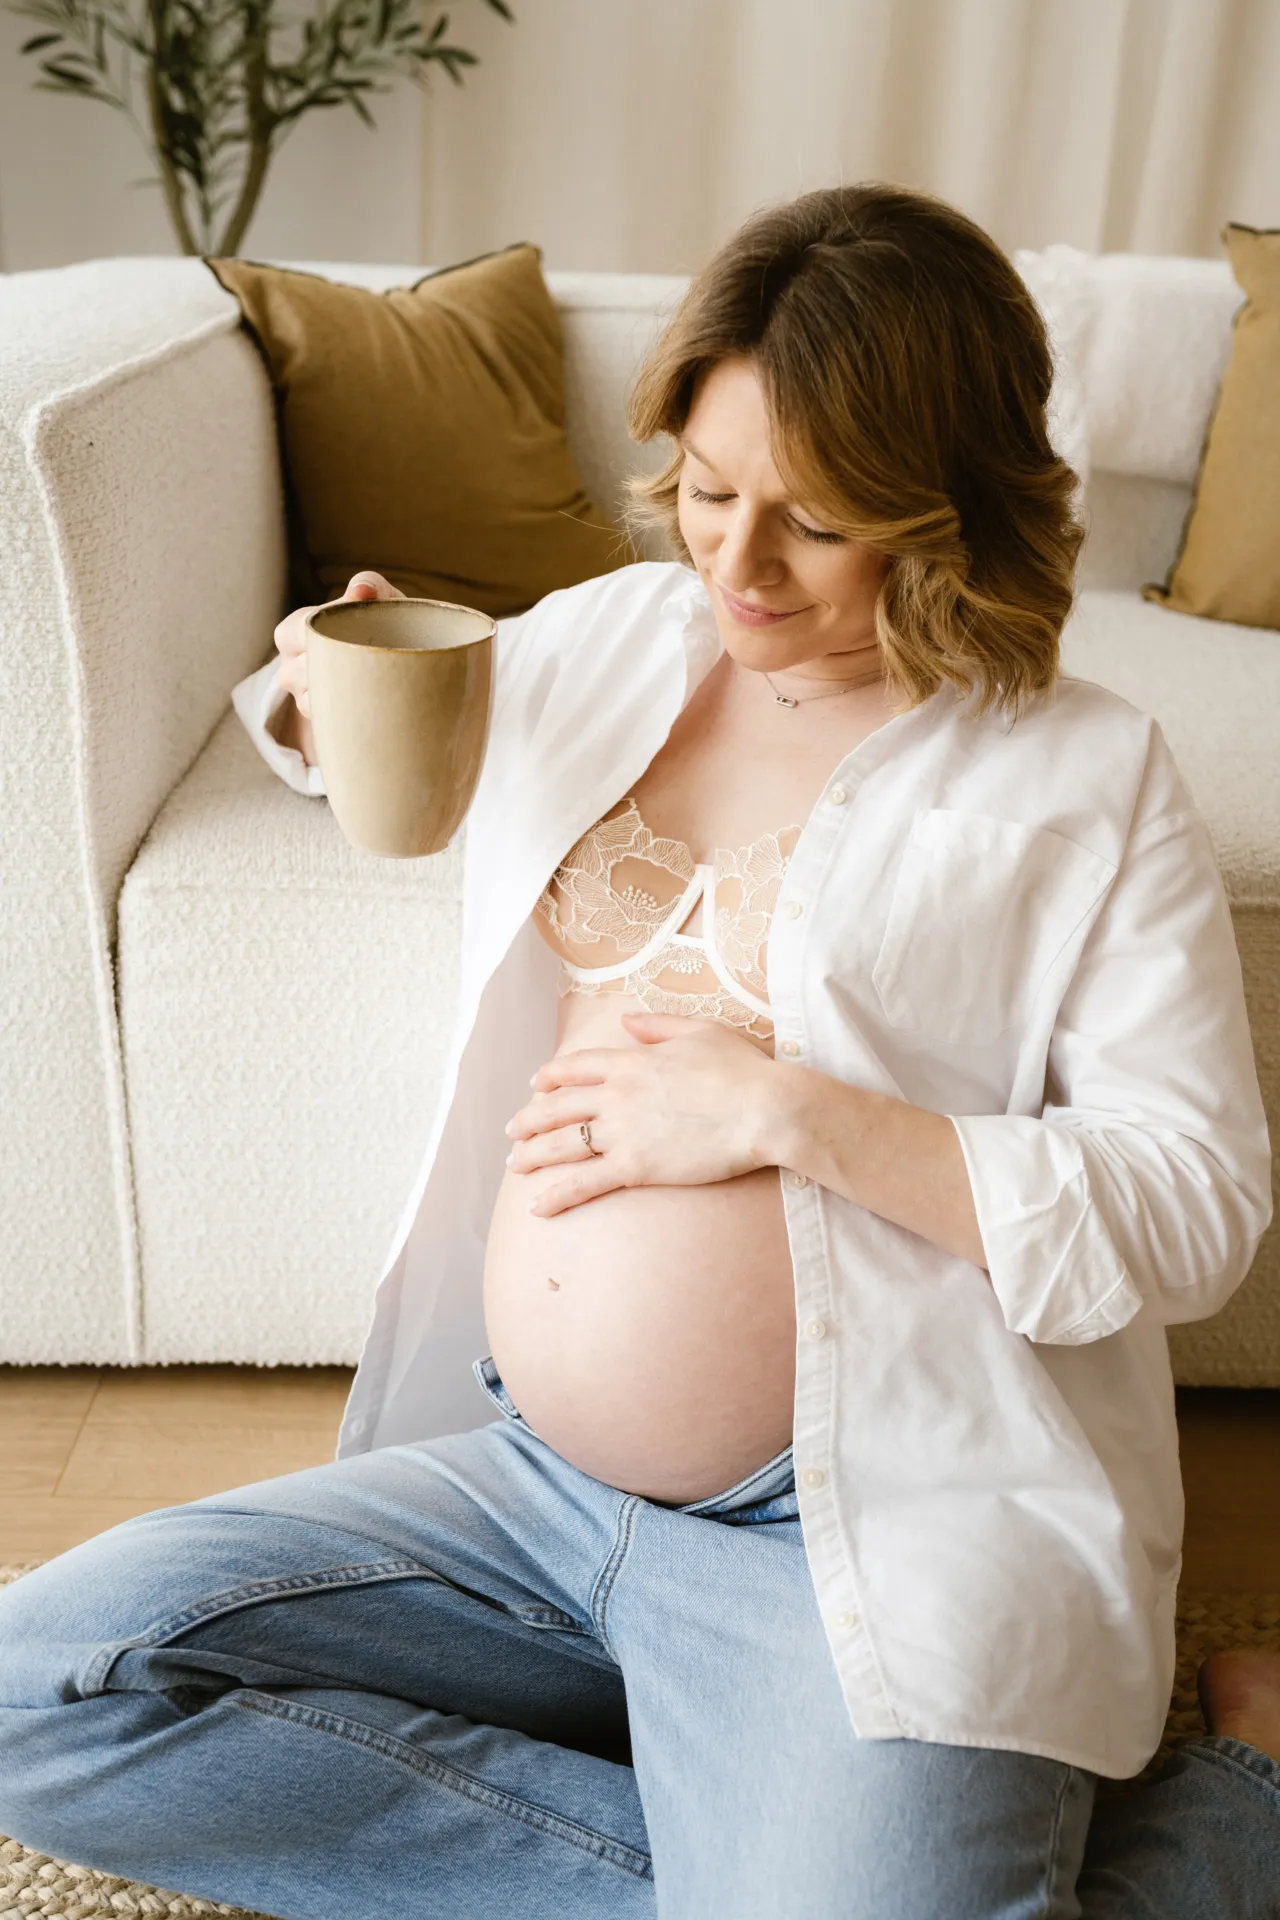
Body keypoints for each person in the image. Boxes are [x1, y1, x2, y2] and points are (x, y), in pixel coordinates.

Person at [0, 182, 1276, 1920]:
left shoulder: (1082, 779)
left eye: (812, 526)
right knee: (41, 1688)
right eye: (706, 487)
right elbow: (366, 730)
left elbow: (1196, 1207)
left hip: (864, 1524)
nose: (735, 567)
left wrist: (792, 1114)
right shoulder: (615, 638)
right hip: (528, 1482)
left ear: (945, 510)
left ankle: (1244, 1795)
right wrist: (319, 679)